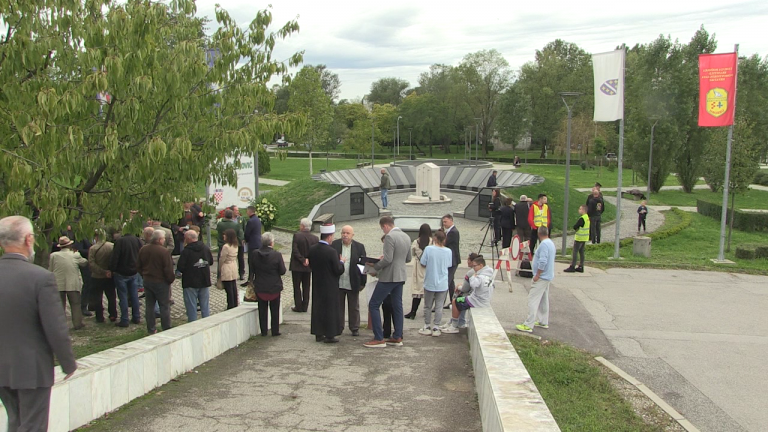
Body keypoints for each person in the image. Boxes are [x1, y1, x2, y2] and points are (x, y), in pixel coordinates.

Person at [0, 216, 77, 432]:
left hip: (3, 367)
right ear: (28, 239)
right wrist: (67, 362)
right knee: (32, 425)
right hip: (32, 368)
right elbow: (55, 327)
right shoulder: (41, 278)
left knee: (15, 421)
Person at [364, 216, 412, 348]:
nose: (383, 231)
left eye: (382, 229)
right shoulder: (406, 237)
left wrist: (375, 266)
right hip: (401, 275)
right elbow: (408, 258)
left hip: (389, 276)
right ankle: (397, 336)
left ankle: (379, 338)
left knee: (374, 304)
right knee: (397, 305)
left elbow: (388, 259)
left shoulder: (390, 237)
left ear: (385, 226)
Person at [309, 224, 345, 343]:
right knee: (330, 309)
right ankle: (330, 334)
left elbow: (311, 265)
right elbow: (338, 270)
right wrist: (341, 262)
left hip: (317, 282)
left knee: (318, 307)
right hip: (330, 284)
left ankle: (318, 333)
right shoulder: (331, 251)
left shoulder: (312, 249)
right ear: (329, 237)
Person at [516, 227, 556, 333]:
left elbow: (543, 261)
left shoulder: (543, 245)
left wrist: (538, 274)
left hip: (541, 277)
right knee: (543, 299)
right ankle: (543, 321)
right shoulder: (550, 243)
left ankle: (529, 324)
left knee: (532, 299)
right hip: (548, 276)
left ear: (539, 233)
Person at [443, 256, 494, 334]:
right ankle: (458, 322)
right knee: (461, 300)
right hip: (484, 300)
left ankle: (454, 326)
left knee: (455, 302)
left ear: (481, 266)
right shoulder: (489, 275)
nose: (474, 268)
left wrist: (473, 277)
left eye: (475, 266)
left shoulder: (480, 276)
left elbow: (473, 285)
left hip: (477, 301)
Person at [332, 225, 367, 336]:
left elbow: (363, 266)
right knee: (338, 307)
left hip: (353, 281)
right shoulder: (335, 245)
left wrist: (363, 282)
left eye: (347, 233)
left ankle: (354, 327)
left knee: (354, 307)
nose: (345, 235)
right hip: (338, 282)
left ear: (352, 235)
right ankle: (339, 326)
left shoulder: (359, 247)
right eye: (343, 233)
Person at [137, 230, 175, 334]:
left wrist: (144, 275)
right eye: (163, 238)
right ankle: (166, 327)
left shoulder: (143, 249)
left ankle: (151, 328)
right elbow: (168, 269)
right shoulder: (164, 251)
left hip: (147, 280)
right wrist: (170, 280)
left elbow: (139, 266)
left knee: (149, 305)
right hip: (161, 282)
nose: (164, 240)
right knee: (164, 306)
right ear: (159, 239)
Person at [49, 236, 89, 330]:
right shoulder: (75, 254)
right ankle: (77, 323)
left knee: (60, 305)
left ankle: (60, 324)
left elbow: (50, 269)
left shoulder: (53, 255)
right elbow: (84, 263)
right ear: (70, 245)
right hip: (72, 283)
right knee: (75, 304)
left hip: (58, 283)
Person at [418, 231, 453, 337]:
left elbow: (423, 262)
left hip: (430, 280)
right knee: (439, 306)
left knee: (428, 306)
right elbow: (449, 264)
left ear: (435, 238)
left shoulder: (428, 249)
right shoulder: (448, 251)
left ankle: (427, 325)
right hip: (443, 282)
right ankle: (436, 326)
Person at [252, 232, 286, 337]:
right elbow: (282, 271)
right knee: (275, 309)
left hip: (260, 286)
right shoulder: (277, 255)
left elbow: (252, 269)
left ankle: (263, 331)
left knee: (262, 310)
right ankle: (275, 330)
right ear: (271, 243)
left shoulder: (255, 254)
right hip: (274, 286)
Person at [177, 230, 213, 322]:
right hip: (204, 279)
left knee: (191, 307)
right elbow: (211, 262)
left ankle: (193, 324)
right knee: (205, 306)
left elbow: (180, 267)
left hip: (190, 281)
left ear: (188, 239)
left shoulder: (186, 251)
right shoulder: (205, 248)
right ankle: (207, 323)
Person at [110, 227, 143, 327]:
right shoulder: (137, 240)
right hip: (134, 271)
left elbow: (115, 257)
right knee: (134, 296)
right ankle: (136, 317)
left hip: (121, 272)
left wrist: (112, 269)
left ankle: (124, 319)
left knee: (123, 297)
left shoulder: (120, 242)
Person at [289, 218, 318, 312]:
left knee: (297, 286)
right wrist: (308, 259)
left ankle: (298, 306)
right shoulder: (315, 238)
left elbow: (295, 250)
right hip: (308, 265)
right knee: (306, 286)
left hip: (297, 265)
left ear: (302, 226)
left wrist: (302, 260)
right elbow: (315, 252)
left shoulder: (297, 236)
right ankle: (305, 306)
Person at [89, 228, 117, 323]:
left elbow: (91, 264)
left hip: (97, 276)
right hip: (110, 276)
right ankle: (113, 314)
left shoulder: (93, 248)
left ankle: (99, 317)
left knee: (98, 297)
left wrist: (102, 271)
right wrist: (109, 271)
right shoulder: (112, 246)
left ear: (96, 237)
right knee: (111, 296)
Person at [405, 223, 432, 319]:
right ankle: (428, 311)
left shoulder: (416, 242)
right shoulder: (432, 241)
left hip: (418, 267)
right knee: (429, 291)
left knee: (417, 291)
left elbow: (412, 253)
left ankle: (413, 312)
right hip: (429, 267)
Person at [564, 205, 590, 273]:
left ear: (583, 210)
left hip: (579, 237)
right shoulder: (587, 217)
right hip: (584, 237)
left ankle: (572, 266)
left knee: (575, 251)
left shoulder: (582, 218)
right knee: (581, 252)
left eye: (580, 209)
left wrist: (576, 229)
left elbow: (575, 226)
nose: (579, 210)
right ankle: (581, 266)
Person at [219, 229, 240, 309]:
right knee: (233, 285)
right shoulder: (235, 245)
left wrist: (220, 268)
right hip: (233, 265)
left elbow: (222, 258)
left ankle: (230, 304)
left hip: (227, 266)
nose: (223, 236)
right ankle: (235, 303)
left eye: (225, 235)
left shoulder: (226, 247)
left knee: (228, 287)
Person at [442, 214, 460, 306]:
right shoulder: (450, 231)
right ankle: (453, 301)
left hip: (452, 260)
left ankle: (440, 303)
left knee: (447, 281)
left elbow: (444, 243)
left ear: (451, 220)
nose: (444, 224)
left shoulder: (453, 232)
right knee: (450, 282)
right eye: (443, 222)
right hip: (452, 260)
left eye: (445, 222)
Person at [244, 205, 263, 284]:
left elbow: (247, 233)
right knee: (257, 261)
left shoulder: (250, 221)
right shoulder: (257, 219)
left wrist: (246, 240)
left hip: (252, 244)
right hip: (258, 243)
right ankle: (257, 278)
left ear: (249, 211)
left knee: (251, 262)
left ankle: (250, 279)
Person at [230, 205, 247, 280]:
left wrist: (244, 238)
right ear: (232, 211)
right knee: (231, 258)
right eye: (236, 210)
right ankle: (232, 273)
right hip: (231, 242)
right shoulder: (229, 219)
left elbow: (244, 229)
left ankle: (241, 273)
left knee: (241, 258)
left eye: (238, 210)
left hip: (240, 242)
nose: (238, 211)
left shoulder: (241, 219)